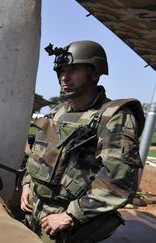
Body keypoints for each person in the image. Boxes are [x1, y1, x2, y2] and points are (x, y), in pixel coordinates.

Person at [20, 40, 145, 242]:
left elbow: (118, 180)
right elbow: (38, 156)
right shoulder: (57, 113)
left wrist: (70, 215)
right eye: (61, 70)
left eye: (73, 69)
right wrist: (27, 185)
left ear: (94, 73)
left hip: (70, 225)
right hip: (35, 214)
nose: (64, 77)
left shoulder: (114, 116)